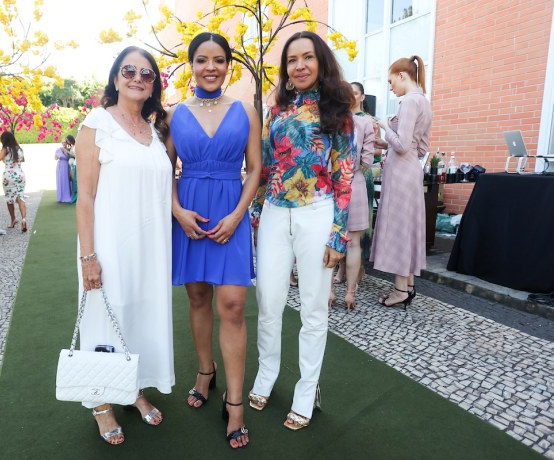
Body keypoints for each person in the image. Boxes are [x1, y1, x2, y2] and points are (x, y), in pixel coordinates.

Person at [248, 31, 355, 431]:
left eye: (308, 57)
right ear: (286, 69)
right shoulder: (277, 111)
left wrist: (338, 235)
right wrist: (255, 216)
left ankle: (307, 389)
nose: (300, 65)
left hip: (318, 212)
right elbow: (266, 168)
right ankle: (266, 374)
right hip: (275, 212)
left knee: (313, 308)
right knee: (269, 302)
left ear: (320, 61)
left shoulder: (340, 110)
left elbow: (346, 175)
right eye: (292, 60)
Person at [165, 32, 260, 449]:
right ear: (192, 65)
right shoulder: (173, 114)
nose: (210, 67)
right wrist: (176, 210)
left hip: (231, 211)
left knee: (234, 305)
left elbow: (255, 168)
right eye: (202, 60)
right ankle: (206, 370)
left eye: (218, 60)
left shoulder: (246, 110)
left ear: (228, 65)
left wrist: (238, 216)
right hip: (188, 213)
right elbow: (163, 169)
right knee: (199, 297)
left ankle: (235, 402)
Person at [75, 45, 174, 446]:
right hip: (109, 246)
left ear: (153, 85)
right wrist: (88, 256)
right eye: (128, 70)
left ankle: (131, 389)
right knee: (105, 320)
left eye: (146, 73)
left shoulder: (154, 131)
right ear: (116, 78)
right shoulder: (96, 124)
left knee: (137, 318)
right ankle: (102, 405)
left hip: (150, 249)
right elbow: (85, 197)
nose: (137, 77)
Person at [370, 55, 433, 307]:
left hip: (400, 176)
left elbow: (404, 144)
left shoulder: (407, 102)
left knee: (398, 229)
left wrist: (385, 126)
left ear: (402, 76)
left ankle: (400, 290)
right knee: (407, 229)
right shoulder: (424, 102)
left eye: (390, 80)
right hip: (411, 172)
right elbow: (419, 148)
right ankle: (407, 286)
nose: (390, 86)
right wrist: (386, 143)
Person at [329, 83, 376, 310]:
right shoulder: (366, 123)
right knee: (354, 243)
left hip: (331, 184)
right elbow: (368, 162)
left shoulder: (331, 121)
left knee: (328, 239)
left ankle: (328, 291)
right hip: (355, 182)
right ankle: (350, 294)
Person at [55, 136, 73, 203]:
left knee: (66, 180)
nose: (64, 143)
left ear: (67, 142)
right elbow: (55, 158)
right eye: (62, 142)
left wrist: (65, 152)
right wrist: (57, 154)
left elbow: (69, 157)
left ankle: (67, 195)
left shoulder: (69, 149)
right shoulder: (58, 149)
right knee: (60, 180)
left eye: (65, 142)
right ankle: (60, 197)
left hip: (66, 165)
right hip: (60, 165)